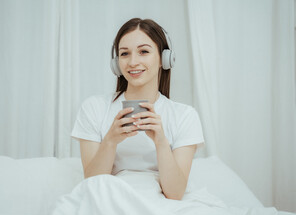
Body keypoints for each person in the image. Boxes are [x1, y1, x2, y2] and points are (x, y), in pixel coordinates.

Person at [71, 18, 204, 200]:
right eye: (125, 54)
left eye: (143, 51)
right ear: (116, 63)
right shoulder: (94, 108)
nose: (133, 62)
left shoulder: (185, 116)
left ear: (164, 59)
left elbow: (175, 193)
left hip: (159, 204)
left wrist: (161, 142)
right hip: (110, 199)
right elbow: (92, 184)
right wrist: (110, 141)